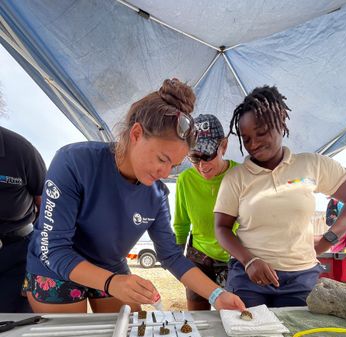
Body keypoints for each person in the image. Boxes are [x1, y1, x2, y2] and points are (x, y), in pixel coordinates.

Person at [25, 79, 246, 314]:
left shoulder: (157, 195)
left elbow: (171, 255)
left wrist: (217, 294)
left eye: (173, 165)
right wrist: (112, 282)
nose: (164, 172)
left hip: (109, 265)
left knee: (131, 334)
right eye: (162, 159)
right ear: (137, 133)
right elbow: (54, 249)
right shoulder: (74, 162)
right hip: (55, 268)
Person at [214, 85, 346, 308]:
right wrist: (250, 261)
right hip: (250, 278)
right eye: (246, 139)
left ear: (280, 122)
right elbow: (221, 228)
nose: (254, 144)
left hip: (301, 277)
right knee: (247, 336)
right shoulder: (236, 177)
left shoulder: (312, 165)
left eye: (261, 132)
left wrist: (329, 239)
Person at [174, 114, 239, 310]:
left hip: (232, 258)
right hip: (198, 257)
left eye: (208, 155)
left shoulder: (240, 175)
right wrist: (177, 258)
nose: (201, 165)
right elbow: (181, 223)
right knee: (197, 316)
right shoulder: (185, 179)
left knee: (230, 314)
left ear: (224, 146)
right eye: (194, 157)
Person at [0, 126, 46, 312]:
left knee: (16, 325)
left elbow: (49, 210)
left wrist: (38, 264)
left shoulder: (20, 150)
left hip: (16, 255)